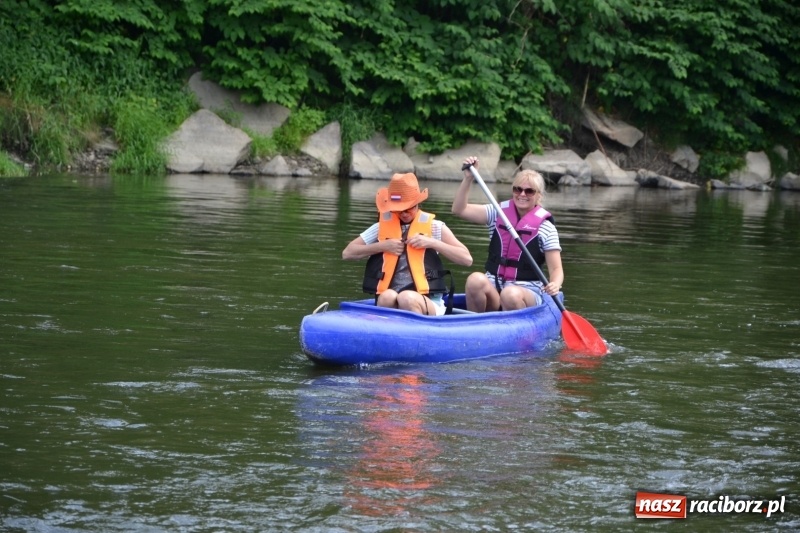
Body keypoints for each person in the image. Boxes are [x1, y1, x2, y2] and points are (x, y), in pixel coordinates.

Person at [342, 172, 473, 315]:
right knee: (387, 296)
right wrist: (382, 246)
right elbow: (348, 253)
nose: (404, 214)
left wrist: (432, 243)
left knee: (407, 297)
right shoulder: (381, 228)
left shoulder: (435, 227)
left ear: (417, 204)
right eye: (399, 210)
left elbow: (467, 259)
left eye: (409, 208)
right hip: (391, 298)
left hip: (427, 301)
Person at [451, 156, 564, 312]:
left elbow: (556, 269)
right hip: (494, 285)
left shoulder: (546, 228)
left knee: (510, 294)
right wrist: (468, 179)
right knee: (474, 280)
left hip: (526, 292)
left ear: (539, 196)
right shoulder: (497, 213)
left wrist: (555, 284)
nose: (522, 194)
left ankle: (514, 328)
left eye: (529, 191)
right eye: (517, 189)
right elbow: (459, 209)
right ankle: (476, 324)